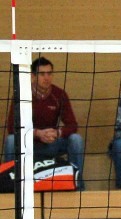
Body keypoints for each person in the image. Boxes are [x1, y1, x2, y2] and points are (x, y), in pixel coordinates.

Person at [4, 56, 85, 189]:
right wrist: (37, 133)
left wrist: (57, 133)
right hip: (29, 144)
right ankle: (9, 186)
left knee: (76, 139)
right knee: (11, 140)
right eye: (42, 74)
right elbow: (12, 127)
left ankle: (77, 184)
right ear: (33, 76)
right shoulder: (22, 95)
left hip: (51, 143)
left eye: (49, 73)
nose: (46, 78)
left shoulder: (59, 94)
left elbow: (72, 125)